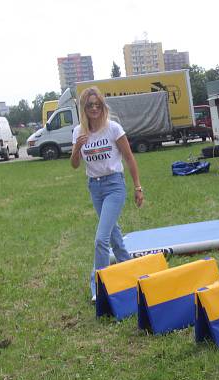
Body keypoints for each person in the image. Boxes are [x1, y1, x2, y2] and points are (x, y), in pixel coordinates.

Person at [70, 86, 144, 303]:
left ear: (102, 106)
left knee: (101, 239)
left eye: (97, 104)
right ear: (83, 108)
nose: (94, 108)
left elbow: (130, 158)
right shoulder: (78, 132)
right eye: (89, 105)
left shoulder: (113, 128)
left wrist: (138, 187)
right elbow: (75, 164)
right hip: (95, 187)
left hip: (114, 186)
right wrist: (76, 148)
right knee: (114, 236)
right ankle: (131, 272)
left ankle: (99, 286)